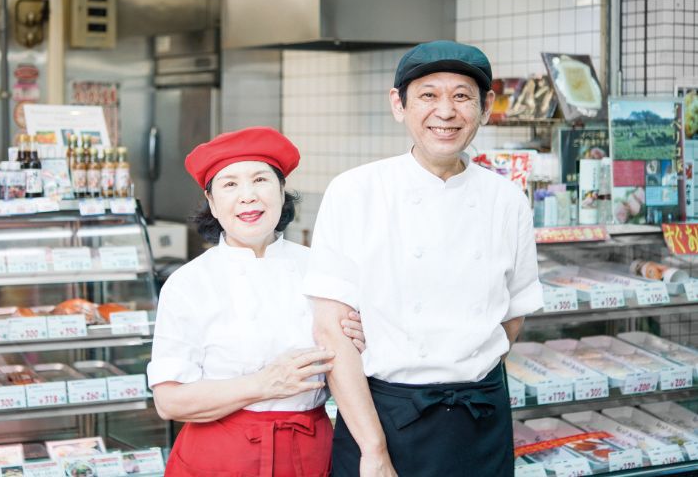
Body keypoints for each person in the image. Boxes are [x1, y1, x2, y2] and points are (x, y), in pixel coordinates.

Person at [304, 41, 543, 477]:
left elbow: (513, 316)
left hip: (481, 417)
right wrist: (374, 452)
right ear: (399, 104)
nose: (446, 112)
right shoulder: (355, 191)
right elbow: (330, 332)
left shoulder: (507, 200)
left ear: (486, 106)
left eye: (462, 95)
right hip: (385, 420)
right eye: (428, 95)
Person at [148, 126, 366, 477]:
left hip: (310, 453)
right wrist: (264, 384)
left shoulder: (323, 270)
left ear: (281, 192)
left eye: (261, 180)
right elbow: (169, 401)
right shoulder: (188, 284)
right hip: (217, 459)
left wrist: (363, 342)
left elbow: (354, 369)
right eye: (230, 184)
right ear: (212, 202)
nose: (248, 196)